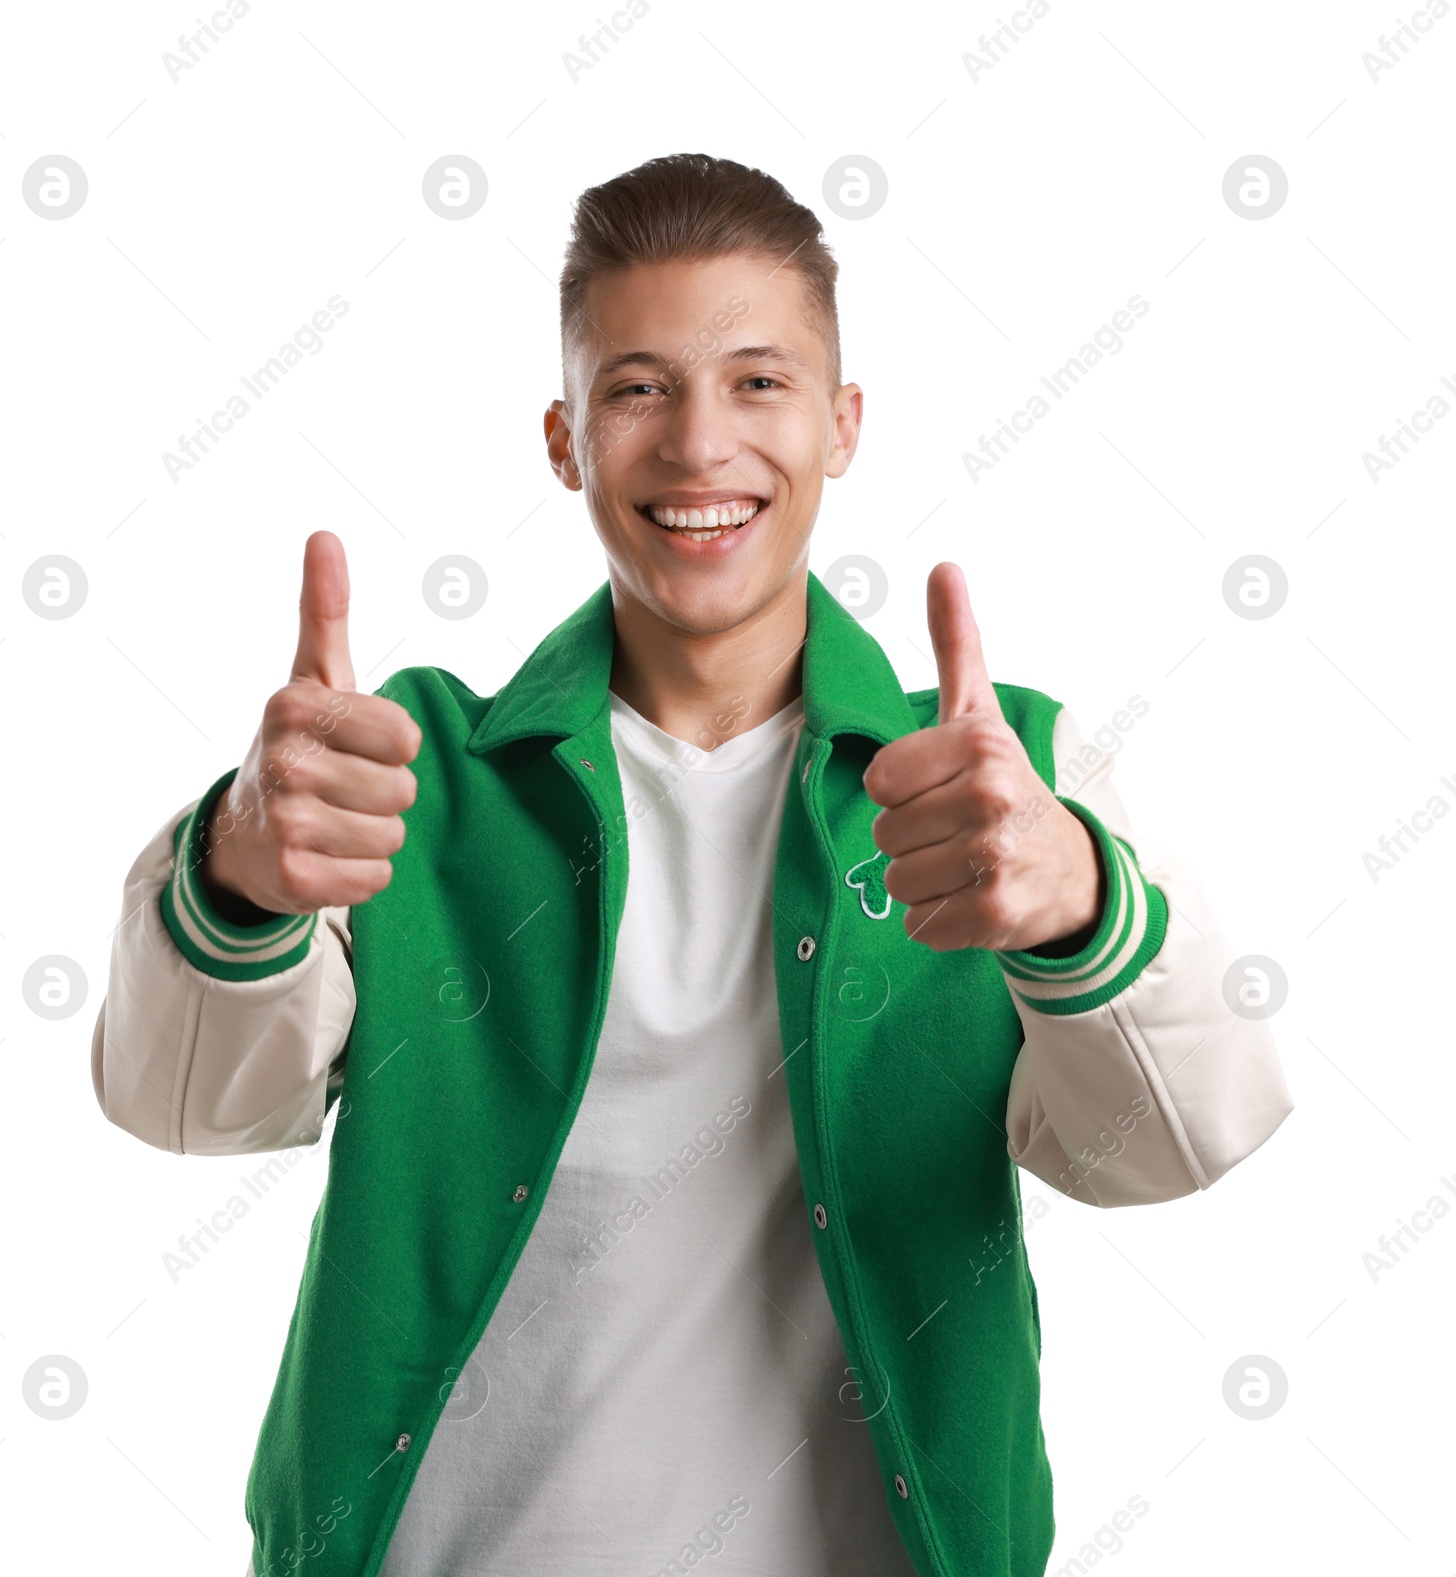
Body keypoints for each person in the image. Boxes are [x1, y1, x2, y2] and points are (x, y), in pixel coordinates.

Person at [92, 153, 1294, 1577]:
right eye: (639, 387)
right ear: (566, 439)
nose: (701, 445)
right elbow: (192, 1108)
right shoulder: (406, 770)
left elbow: (1178, 1144)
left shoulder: (996, 781)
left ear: (845, 425)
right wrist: (239, 871)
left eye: (760, 383)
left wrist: (1078, 912)